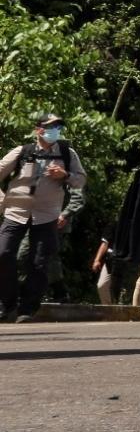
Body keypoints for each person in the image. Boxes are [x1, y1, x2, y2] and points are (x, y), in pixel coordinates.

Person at [0, 113, 88, 323]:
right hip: (16, 212)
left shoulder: (67, 154)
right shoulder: (22, 151)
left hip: (47, 214)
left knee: (39, 263)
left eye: (58, 127)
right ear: (38, 129)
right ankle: (7, 303)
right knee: (3, 254)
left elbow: (81, 180)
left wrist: (65, 175)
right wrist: (3, 201)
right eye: (50, 127)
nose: (55, 131)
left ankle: (27, 309)